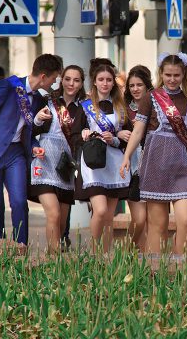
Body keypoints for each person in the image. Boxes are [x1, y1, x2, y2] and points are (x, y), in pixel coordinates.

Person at [0, 54, 61, 245]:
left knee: (19, 202)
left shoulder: (39, 100)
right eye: (54, 78)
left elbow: (28, 131)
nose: (55, 82)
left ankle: (20, 246)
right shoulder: (7, 87)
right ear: (42, 76)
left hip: (15, 154)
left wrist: (34, 147)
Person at [120, 53, 187, 255]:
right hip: (155, 165)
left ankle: (183, 274)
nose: (172, 79)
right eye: (168, 74)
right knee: (158, 226)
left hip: (184, 168)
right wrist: (127, 156)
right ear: (161, 73)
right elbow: (138, 130)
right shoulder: (150, 97)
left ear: (183, 74)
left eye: (176, 75)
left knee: (186, 221)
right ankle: (155, 275)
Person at [71, 59, 130, 252]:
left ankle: (106, 256)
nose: (105, 83)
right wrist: (83, 135)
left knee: (109, 215)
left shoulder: (121, 107)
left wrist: (116, 137)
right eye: (101, 79)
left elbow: (128, 137)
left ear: (114, 82)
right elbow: (73, 135)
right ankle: (95, 254)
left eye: (109, 80)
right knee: (101, 210)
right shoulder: (85, 106)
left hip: (114, 162)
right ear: (94, 82)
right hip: (93, 163)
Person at [30, 65, 86, 253]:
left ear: (82, 83)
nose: (71, 83)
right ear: (61, 80)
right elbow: (30, 130)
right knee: (53, 214)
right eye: (68, 79)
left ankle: (57, 256)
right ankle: (52, 261)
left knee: (61, 222)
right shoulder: (47, 101)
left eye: (76, 80)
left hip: (66, 168)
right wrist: (37, 119)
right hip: (45, 163)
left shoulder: (85, 107)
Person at [117, 65, 153, 251]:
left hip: (155, 165)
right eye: (131, 85)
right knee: (139, 220)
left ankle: (145, 263)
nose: (135, 89)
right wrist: (119, 134)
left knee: (152, 221)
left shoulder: (157, 106)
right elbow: (112, 131)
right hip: (133, 168)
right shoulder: (123, 109)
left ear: (147, 86)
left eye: (139, 84)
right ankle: (126, 252)